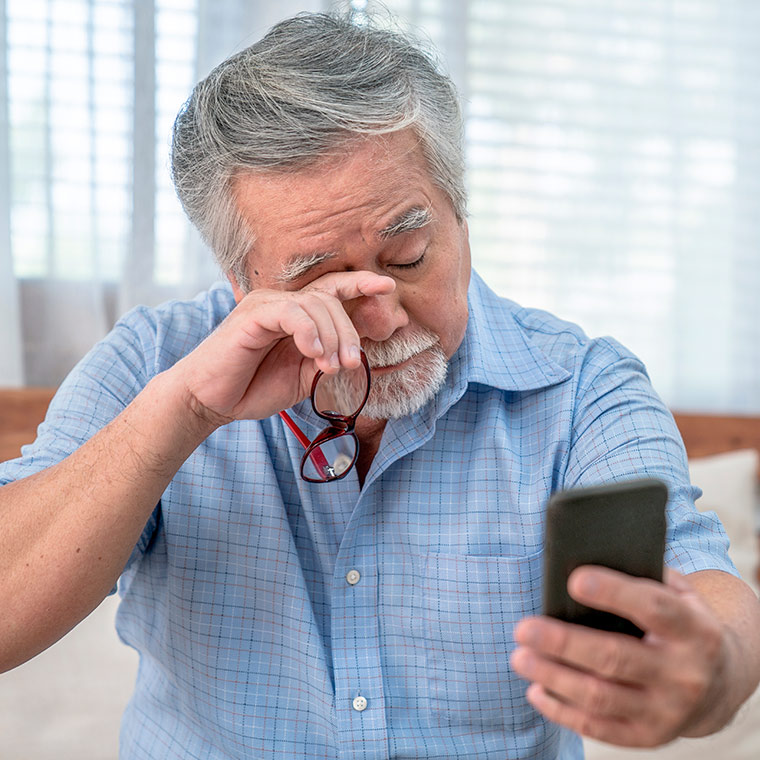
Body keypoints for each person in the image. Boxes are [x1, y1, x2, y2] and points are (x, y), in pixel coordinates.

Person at [1, 12, 758, 760]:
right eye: (323, 280)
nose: (385, 315)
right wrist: (186, 411)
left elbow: (712, 596)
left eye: (409, 255)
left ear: (460, 214)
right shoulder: (152, 361)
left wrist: (711, 668)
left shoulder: (582, 386)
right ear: (240, 280)